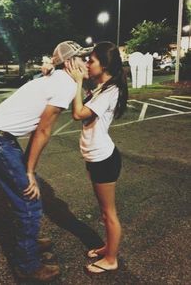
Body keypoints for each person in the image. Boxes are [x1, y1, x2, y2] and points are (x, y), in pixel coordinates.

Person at [0, 40, 92, 282]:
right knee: (30, 201)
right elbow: (43, 131)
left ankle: (28, 241)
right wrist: (28, 171)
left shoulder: (57, 79)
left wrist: (29, 171)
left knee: (28, 193)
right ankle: (27, 265)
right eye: (83, 58)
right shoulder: (65, 85)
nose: (88, 62)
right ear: (70, 63)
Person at [67, 41, 128, 274]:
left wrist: (79, 81)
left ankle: (111, 259)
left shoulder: (111, 91)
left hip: (104, 159)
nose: (87, 64)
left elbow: (78, 113)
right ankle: (107, 247)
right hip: (96, 157)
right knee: (104, 211)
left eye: (91, 60)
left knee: (108, 213)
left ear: (105, 64)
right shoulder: (102, 87)